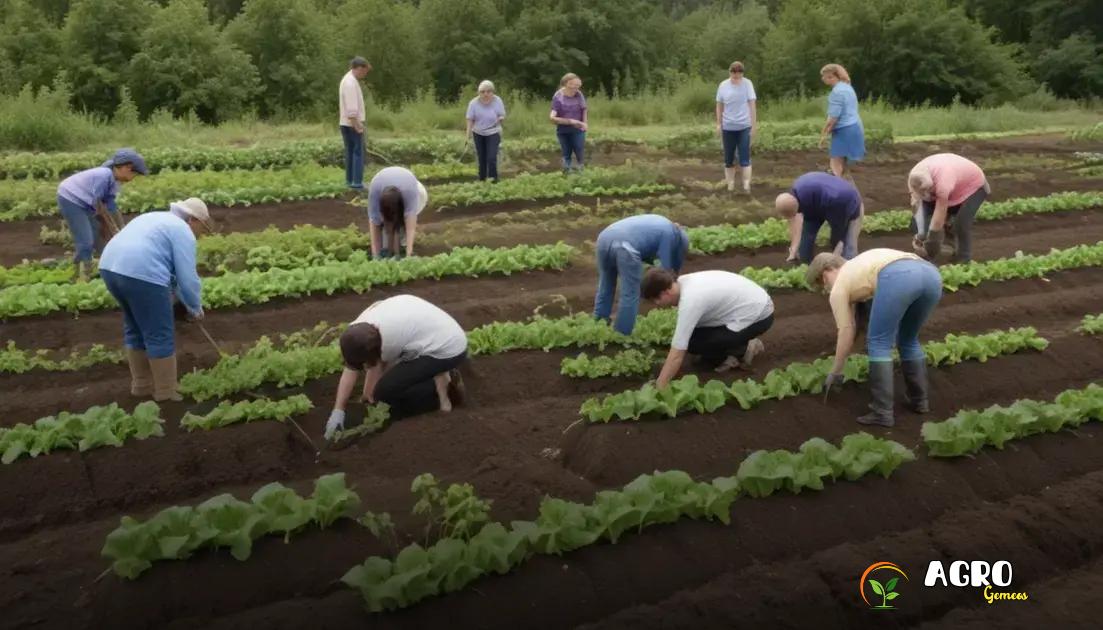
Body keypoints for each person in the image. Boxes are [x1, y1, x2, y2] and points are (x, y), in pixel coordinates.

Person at [807, 249, 942, 428]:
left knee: (879, 342)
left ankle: (882, 412)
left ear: (825, 274)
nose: (826, 289)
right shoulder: (859, 265)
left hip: (898, 276)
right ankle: (920, 401)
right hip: (931, 274)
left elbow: (846, 331)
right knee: (908, 339)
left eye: (822, 284)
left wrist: (836, 371)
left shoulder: (839, 287)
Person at [98, 198, 213, 402]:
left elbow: (174, 278)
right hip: (143, 273)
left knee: (135, 327)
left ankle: (141, 386)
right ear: (193, 220)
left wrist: (184, 301)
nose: (200, 233)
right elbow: (187, 278)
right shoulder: (182, 230)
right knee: (159, 332)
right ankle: (166, 392)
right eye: (202, 227)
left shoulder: (154, 217)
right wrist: (195, 308)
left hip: (110, 268)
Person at [325, 295, 468, 438]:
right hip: (432, 332)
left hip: (449, 348)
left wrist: (371, 395)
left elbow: (381, 366)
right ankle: (437, 374)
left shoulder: (390, 339)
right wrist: (338, 411)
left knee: (386, 392)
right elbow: (351, 368)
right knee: (382, 388)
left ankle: (445, 391)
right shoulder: (357, 330)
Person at [642, 269, 774, 388]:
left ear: (667, 292)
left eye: (656, 299)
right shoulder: (682, 283)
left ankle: (743, 350)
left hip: (760, 315)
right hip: (746, 306)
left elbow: (677, 352)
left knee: (694, 343)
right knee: (693, 340)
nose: (656, 305)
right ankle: (730, 347)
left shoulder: (691, 299)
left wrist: (661, 384)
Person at [56, 148, 148, 281]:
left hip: (84, 201)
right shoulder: (104, 175)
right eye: (135, 174)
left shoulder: (113, 180)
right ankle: (81, 275)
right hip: (70, 199)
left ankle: (104, 267)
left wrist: (121, 229)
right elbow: (98, 205)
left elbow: (111, 206)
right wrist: (109, 226)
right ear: (127, 167)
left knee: (99, 236)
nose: (133, 178)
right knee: (86, 240)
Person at [594, 215, 690, 336]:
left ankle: (598, 325)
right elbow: (666, 271)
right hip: (625, 246)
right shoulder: (671, 235)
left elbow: (648, 253)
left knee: (606, 285)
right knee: (630, 293)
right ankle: (622, 334)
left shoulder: (661, 224)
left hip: (603, 239)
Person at [908, 153, 990, 263]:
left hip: (974, 187)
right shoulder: (914, 179)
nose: (927, 195)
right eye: (922, 193)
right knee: (916, 223)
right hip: (954, 181)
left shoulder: (943, 184)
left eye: (930, 192)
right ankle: (944, 243)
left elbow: (938, 217)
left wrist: (932, 244)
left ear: (932, 185)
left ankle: (964, 259)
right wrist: (921, 235)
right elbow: (916, 207)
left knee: (961, 224)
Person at [777, 172, 864, 264]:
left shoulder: (839, 200)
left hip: (846, 202)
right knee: (807, 235)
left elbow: (839, 230)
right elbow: (795, 221)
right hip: (819, 201)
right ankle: (806, 263)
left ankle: (847, 268)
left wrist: (835, 255)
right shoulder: (795, 194)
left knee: (847, 245)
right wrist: (794, 249)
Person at [366, 166, 429, 259]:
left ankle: (401, 245)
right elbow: (374, 223)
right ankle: (392, 248)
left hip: (416, 190)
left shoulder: (410, 194)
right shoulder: (375, 194)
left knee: (403, 226)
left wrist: (409, 254)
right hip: (382, 187)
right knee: (386, 241)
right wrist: (375, 254)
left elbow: (410, 225)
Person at [715, 61, 757, 193]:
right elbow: (719, 105)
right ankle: (730, 185)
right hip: (728, 126)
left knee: (744, 157)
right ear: (730, 72)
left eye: (739, 75)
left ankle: (746, 185)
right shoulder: (723, 85)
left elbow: (752, 104)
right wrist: (718, 124)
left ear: (742, 74)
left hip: (744, 125)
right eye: (734, 75)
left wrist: (754, 125)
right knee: (728, 158)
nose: (736, 78)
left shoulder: (747, 84)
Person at [817, 64, 865, 179]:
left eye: (824, 76)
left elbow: (833, 118)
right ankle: (845, 189)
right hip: (855, 127)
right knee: (843, 166)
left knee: (835, 164)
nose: (822, 79)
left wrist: (824, 134)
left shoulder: (836, 92)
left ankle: (837, 190)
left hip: (844, 130)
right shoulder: (848, 88)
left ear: (831, 77)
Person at [339, 56, 372, 189]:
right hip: (352, 123)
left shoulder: (347, 79)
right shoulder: (350, 83)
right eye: (365, 71)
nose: (365, 74)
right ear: (359, 68)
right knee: (358, 152)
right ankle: (357, 183)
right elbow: (352, 108)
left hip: (345, 123)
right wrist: (357, 125)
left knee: (350, 151)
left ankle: (349, 181)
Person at [466, 80, 506, 182]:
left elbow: (502, 114)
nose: (485, 94)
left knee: (491, 158)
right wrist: (468, 135)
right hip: (478, 133)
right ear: (479, 93)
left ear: (492, 92)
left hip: (493, 131)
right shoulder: (473, 103)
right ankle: (482, 180)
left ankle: (493, 180)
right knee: (481, 158)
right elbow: (470, 120)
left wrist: (500, 118)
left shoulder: (497, 101)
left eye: (488, 91)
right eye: (482, 92)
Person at [549, 73, 588, 173]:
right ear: (567, 84)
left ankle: (581, 172)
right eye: (575, 85)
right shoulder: (558, 96)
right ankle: (567, 173)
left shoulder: (579, 95)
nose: (577, 88)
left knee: (579, 150)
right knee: (566, 152)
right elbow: (552, 117)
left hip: (578, 129)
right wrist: (570, 121)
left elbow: (584, 109)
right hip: (563, 130)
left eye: (578, 86)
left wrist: (584, 123)